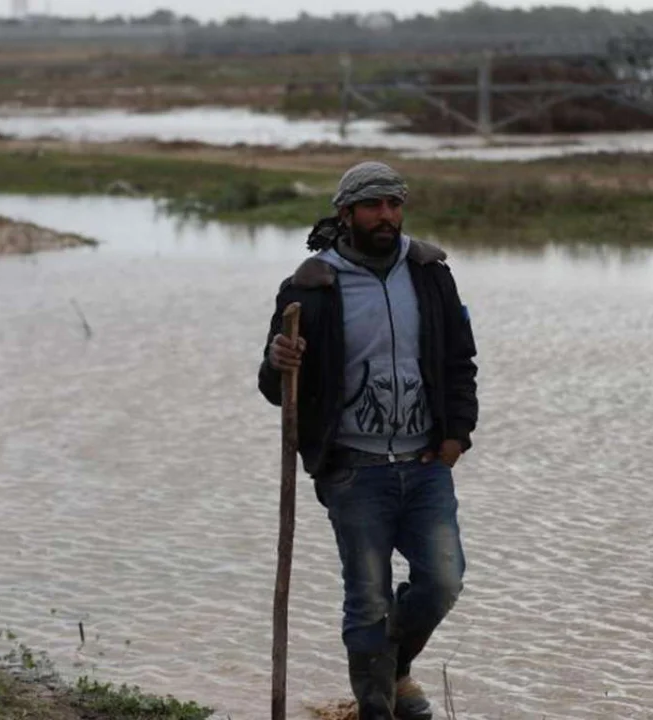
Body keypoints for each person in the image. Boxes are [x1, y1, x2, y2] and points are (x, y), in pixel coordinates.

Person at [258, 161, 478, 720]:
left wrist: (457, 434)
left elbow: (459, 360)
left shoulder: (430, 273)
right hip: (353, 469)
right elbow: (274, 387)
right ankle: (378, 710)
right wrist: (277, 360)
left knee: (442, 580)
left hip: (426, 461)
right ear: (346, 212)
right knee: (368, 599)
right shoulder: (311, 286)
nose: (387, 216)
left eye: (394, 204)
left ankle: (395, 668)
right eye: (374, 205)